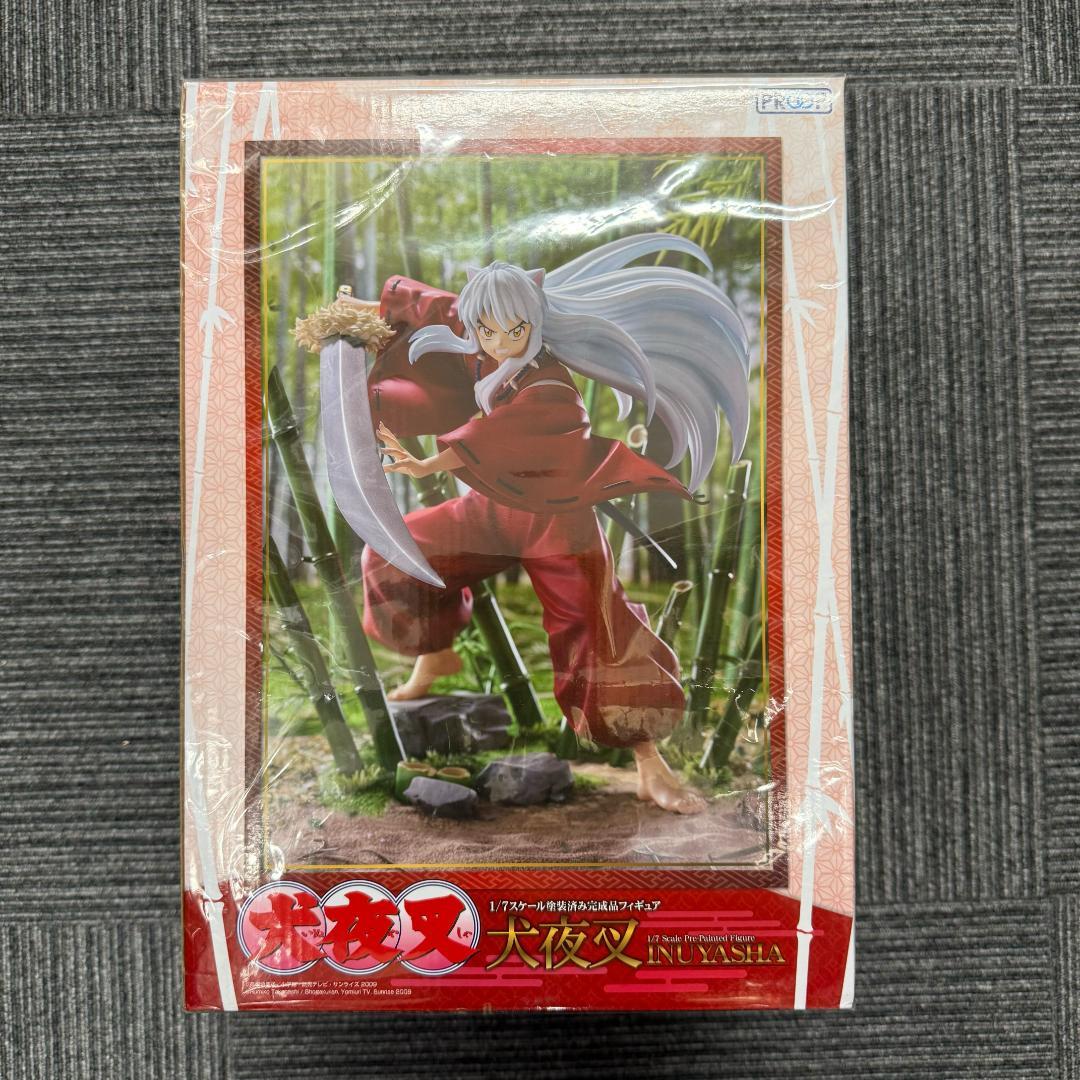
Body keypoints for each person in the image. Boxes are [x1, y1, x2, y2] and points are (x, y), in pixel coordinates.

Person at [338, 234, 749, 814]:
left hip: (557, 523)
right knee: (395, 553)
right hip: (492, 509)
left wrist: (428, 463)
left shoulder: (553, 386)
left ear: (535, 323)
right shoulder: (477, 328)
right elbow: (436, 306)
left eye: (515, 330)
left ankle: (649, 761)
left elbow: (512, 434)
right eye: (488, 331)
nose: (500, 341)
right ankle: (436, 650)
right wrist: (364, 313)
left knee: (597, 634)